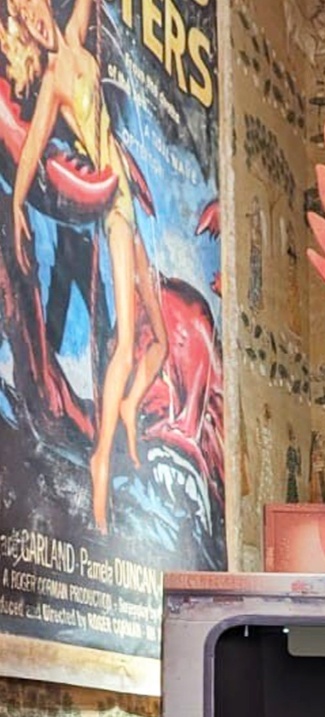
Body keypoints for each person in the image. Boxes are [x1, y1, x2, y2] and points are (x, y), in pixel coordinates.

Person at [7, 0, 168, 530]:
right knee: (126, 342)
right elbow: (33, 146)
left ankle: (128, 407)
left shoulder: (77, 39)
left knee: (160, 342)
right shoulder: (55, 78)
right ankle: (102, 460)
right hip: (114, 208)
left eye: (33, 10)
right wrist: (17, 204)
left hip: (130, 205)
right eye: (23, 19)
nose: (34, 23)